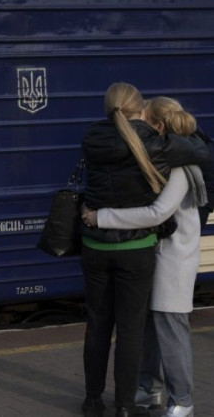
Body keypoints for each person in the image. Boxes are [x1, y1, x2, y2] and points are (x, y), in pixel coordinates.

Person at [78, 83, 208, 417]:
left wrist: (99, 216)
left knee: (170, 330)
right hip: (151, 254)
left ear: (158, 127)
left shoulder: (177, 167)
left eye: (144, 123)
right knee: (146, 329)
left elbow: (157, 214)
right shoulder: (158, 157)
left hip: (172, 259)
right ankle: (148, 388)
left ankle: (182, 400)